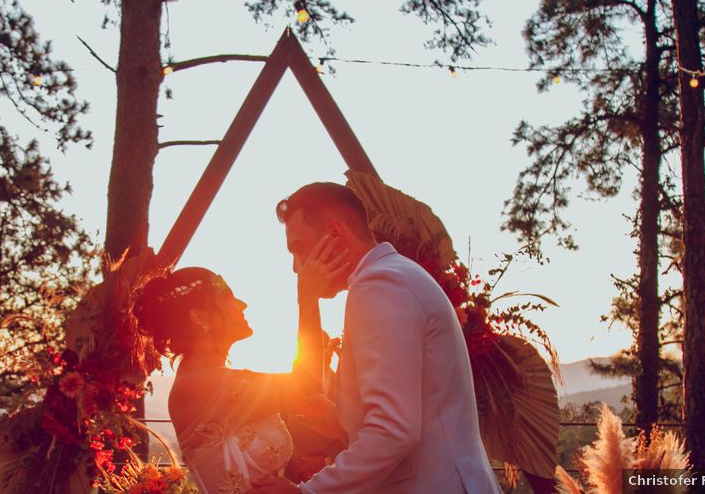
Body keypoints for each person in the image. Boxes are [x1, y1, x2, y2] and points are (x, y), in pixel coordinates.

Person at [256, 182, 501, 494]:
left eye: (299, 248)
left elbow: (393, 430)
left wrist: (307, 492)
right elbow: (414, 414)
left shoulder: (380, 285)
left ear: (334, 233)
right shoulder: (393, 276)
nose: (295, 267)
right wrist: (341, 421)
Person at [137, 264, 347, 493]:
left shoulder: (222, 379)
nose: (242, 304)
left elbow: (303, 395)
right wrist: (307, 296)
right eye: (228, 297)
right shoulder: (196, 384)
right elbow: (306, 384)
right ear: (200, 317)